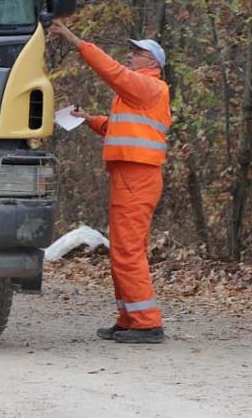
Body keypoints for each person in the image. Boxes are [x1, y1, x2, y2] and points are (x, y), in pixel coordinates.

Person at [48, 20, 172, 344]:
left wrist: (73, 38)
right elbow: (121, 130)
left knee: (128, 252)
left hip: (137, 178)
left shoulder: (149, 86)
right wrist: (91, 120)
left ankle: (147, 323)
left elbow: (111, 71)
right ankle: (129, 318)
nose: (130, 55)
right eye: (132, 51)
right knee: (123, 251)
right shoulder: (138, 95)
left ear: (153, 63)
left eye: (137, 52)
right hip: (130, 176)